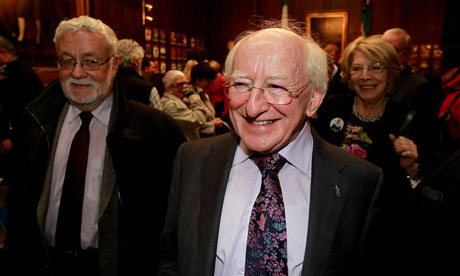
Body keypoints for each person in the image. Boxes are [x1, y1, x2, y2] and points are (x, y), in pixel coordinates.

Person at [159, 23, 388, 275]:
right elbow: (171, 260)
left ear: (314, 99)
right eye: (241, 84)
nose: (253, 107)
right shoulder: (192, 159)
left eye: (277, 87)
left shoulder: (360, 181)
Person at [7, 15, 185, 276]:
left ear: (114, 65)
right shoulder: (35, 124)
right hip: (46, 264)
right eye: (67, 61)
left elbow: (171, 221)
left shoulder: (155, 131)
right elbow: (19, 207)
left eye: (91, 61)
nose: (78, 72)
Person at [311, 35, 420, 212]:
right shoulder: (330, 108)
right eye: (357, 68)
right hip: (330, 209)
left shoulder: (405, 119)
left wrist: (410, 168)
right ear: (348, 74)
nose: (365, 76)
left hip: (380, 220)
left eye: (376, 68)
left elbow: (419, 191)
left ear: (390, 73)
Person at [382, 28, 441, 170]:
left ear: (407, 53)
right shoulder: (374, 82)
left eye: (395, 50)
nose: (389, 55)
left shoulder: (419, 85)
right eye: (384, 49)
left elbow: (425, 137)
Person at [161, 70, 208, 141]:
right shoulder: (170, 105)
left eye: (186, 83)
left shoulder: (178, 100)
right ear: (169, 89)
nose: (185, 87)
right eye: (180, 84)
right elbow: (199, 120)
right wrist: (194, 97)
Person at [116, 38, 160, 107]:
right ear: (136, 61)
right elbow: (158, 116)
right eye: (141, 61)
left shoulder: (107, 82)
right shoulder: (148, 89)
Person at [185, 62, 223, 138]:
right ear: (197, 80)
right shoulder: (189, 96)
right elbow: (192, 126)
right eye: (208, 81)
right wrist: (212, 125)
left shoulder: (203, 94)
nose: (210, 84)